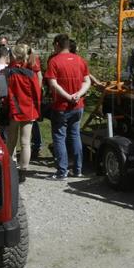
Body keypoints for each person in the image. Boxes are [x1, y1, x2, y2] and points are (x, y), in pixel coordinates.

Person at [45, 34, 91, 180]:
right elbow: (87, 81)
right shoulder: (80, 60)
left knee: (59, 137)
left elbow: (53, 84)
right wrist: (78, 94)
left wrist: (68, 96)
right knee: (75, 136)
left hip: (61, 106)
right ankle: (78, 170)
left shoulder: (54, 61)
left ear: (57, 44)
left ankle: (62, 171)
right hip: (78, 105)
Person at [5, 44, 41, 182]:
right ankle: (23, 171)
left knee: (11, 141)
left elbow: (5, 93)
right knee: (26, 142)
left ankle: (8, 167)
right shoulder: (31, 74)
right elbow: (37, 92)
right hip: (28, 110)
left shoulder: (7, 72)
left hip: (14, 109)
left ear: (14, 56)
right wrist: (37, 108)